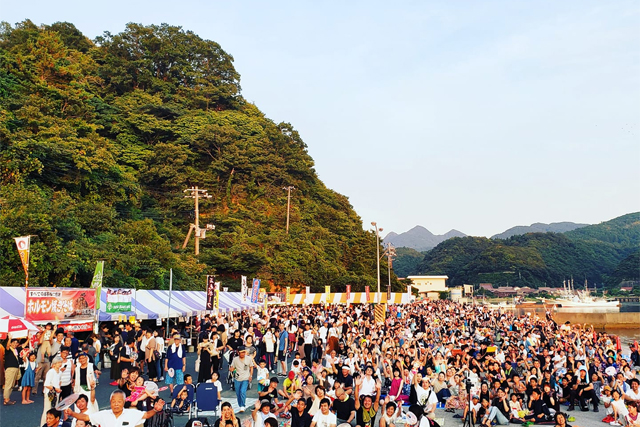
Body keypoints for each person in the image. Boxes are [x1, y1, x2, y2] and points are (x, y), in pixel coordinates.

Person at [65, 389, 164, 426]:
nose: (116, 404)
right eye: (114, 402)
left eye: (119, 401)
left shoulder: (131, 413)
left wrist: (155, 409)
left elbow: (146, 415)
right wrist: (72, 413)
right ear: (110, 402)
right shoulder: (103, 414)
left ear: (124, 402)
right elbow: (86, 417)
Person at [231, 346, 256, 412]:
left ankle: (243, 406)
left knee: (242, 391)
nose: (242, 354)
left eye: (244, 352)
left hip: (246, 378)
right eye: (241, 352)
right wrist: (231, 369)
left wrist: (251, 375)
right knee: (238, 393)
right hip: (237, 378)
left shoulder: (248, 359)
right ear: (238, 352)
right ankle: (240, 405)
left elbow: (251, 367)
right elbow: (232, 367)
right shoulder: (235, 359)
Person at [41, 356, 63, 426]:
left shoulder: (59, 372)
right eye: (58, 363)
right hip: (49, 393)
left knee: (54, 410)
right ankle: (43, 425)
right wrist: (55, 388)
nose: (60, 364)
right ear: (54, 364)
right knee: (47, 410)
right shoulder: (51, 372)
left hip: (56, 393)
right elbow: (46, 384)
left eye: (61, 362)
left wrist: (58, 387)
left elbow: (58, 382)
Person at [3, 338, 20, 405]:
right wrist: (9, 338)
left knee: (12, 385)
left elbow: (23, 346)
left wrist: (29, 339)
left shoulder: (15, 350)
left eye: (16, 343)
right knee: (8, 384)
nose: (15, 344)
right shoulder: (8, 350)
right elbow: (7, 346)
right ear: (10, 343)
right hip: (10, 369)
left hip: (15, 368)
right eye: (13, 343)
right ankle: (6, 399)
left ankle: (8, 398)